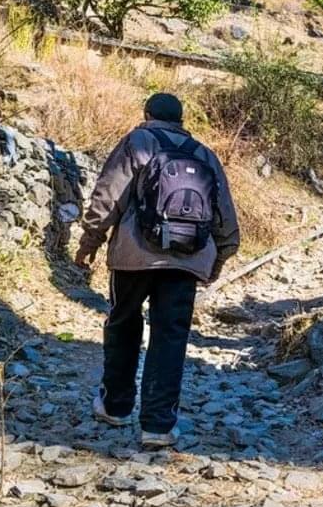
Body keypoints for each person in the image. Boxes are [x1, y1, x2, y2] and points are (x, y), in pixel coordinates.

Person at [74, 93, 239, 448]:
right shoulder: (203, 153)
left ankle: (115, 406)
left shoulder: (138, 141)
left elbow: (108, 196)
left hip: (134, 256)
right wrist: (217, 261)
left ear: (147, 113)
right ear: (181, 120)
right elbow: (225, 217)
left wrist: (89, 244)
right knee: (171, 337)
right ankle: (158, 426)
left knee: (122, 323)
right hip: (187, 260)